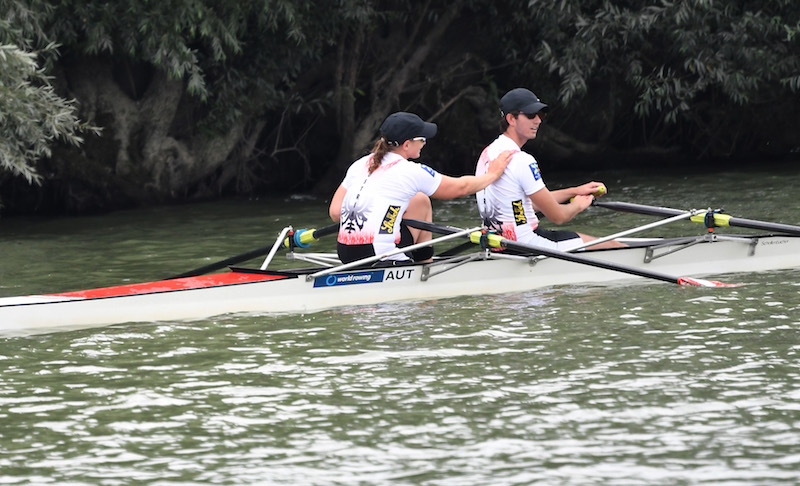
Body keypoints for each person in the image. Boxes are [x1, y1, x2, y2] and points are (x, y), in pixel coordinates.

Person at [329, 112, 512, 264]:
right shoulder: (410, 171)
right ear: (407, 144)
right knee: (422, 202)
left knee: (416, 200)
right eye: (422, 139)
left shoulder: (360, 164)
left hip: (346, 254)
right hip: (379, 256)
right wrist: (492, 175)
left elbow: (336, 213)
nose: (425, 143)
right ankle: (424, 265)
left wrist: (389, 216)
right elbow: (461, 188)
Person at [475, 88, 625, 250]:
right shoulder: (522, 160)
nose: (538, 121)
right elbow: (558, 216)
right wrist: (579, 205)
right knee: (615, 246)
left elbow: (525, 203)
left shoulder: (487, 154)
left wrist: (575, 191)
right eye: (531, 115)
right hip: (530, 245)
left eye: (540, 115)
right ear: (511, 119)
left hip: (498, 246)